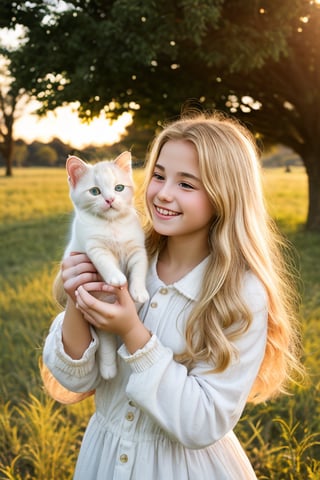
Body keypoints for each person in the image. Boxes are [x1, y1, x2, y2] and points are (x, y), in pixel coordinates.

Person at [43, 112, 303, 480]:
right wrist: (77, 298)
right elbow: (75, 379)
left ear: (224, 194)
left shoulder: (241, 293)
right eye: (159, 175)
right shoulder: (124, 256)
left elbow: (203, 422)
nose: (163, 192)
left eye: (187, 184)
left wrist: (133, 332)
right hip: (104, 461)